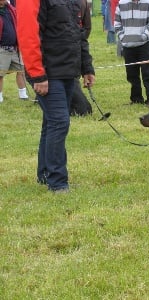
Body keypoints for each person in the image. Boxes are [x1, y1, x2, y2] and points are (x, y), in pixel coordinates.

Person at [16, 0, 95, 193]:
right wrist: (37, 74)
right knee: (60, 122)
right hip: (48, 72)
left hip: (68, 69)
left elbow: (78, 33)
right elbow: (28, 34)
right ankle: (57, 181)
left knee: (51, 123)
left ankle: (45, 174)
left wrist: (87, 67)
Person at [115, 0, 149, 106]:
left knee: (148, 73)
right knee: (132, 75)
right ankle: (136, 99)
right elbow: (117, 23)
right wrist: (123, 37)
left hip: (144, 45)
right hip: (128, 46)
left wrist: (144, 36)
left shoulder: (148, 3)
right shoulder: (121, 3)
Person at [0, 0, 28, 103]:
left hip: (14, 48)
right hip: (2, 49)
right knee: (0, 74)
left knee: (21, 70)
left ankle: (23, 95)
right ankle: (0, 97)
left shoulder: (10, 9)